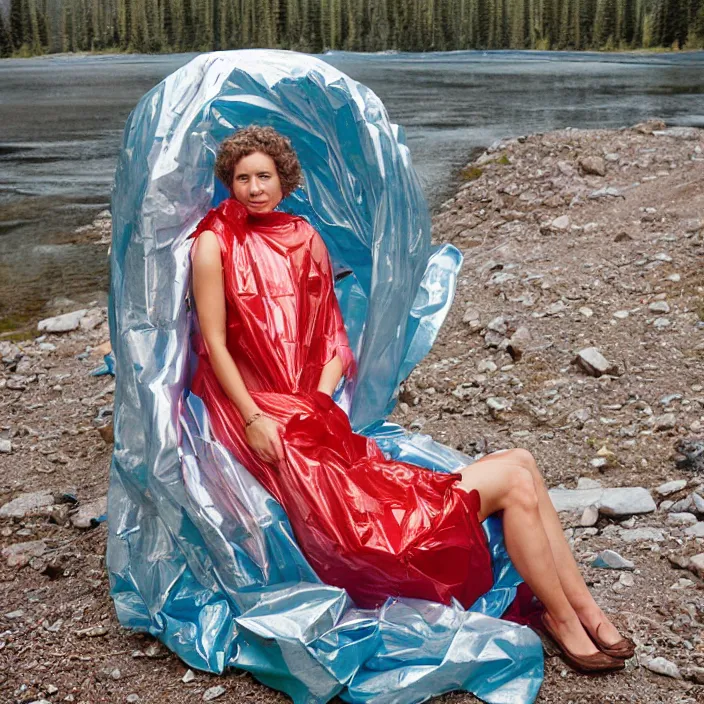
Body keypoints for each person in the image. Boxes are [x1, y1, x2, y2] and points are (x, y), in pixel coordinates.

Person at [189, 125, 635, 675]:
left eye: (264, 176)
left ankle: (582, 610)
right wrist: (256, 417)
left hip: (309, 413)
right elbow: (212, 342)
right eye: (242, 178)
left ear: (284, 181)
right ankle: (566, 621)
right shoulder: (214, 242)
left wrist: (320, 404)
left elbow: (333, 338)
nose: (254, 188)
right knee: (515, 478)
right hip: (262, 417)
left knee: (523, 462)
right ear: (228, 182)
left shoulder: (305, 237)